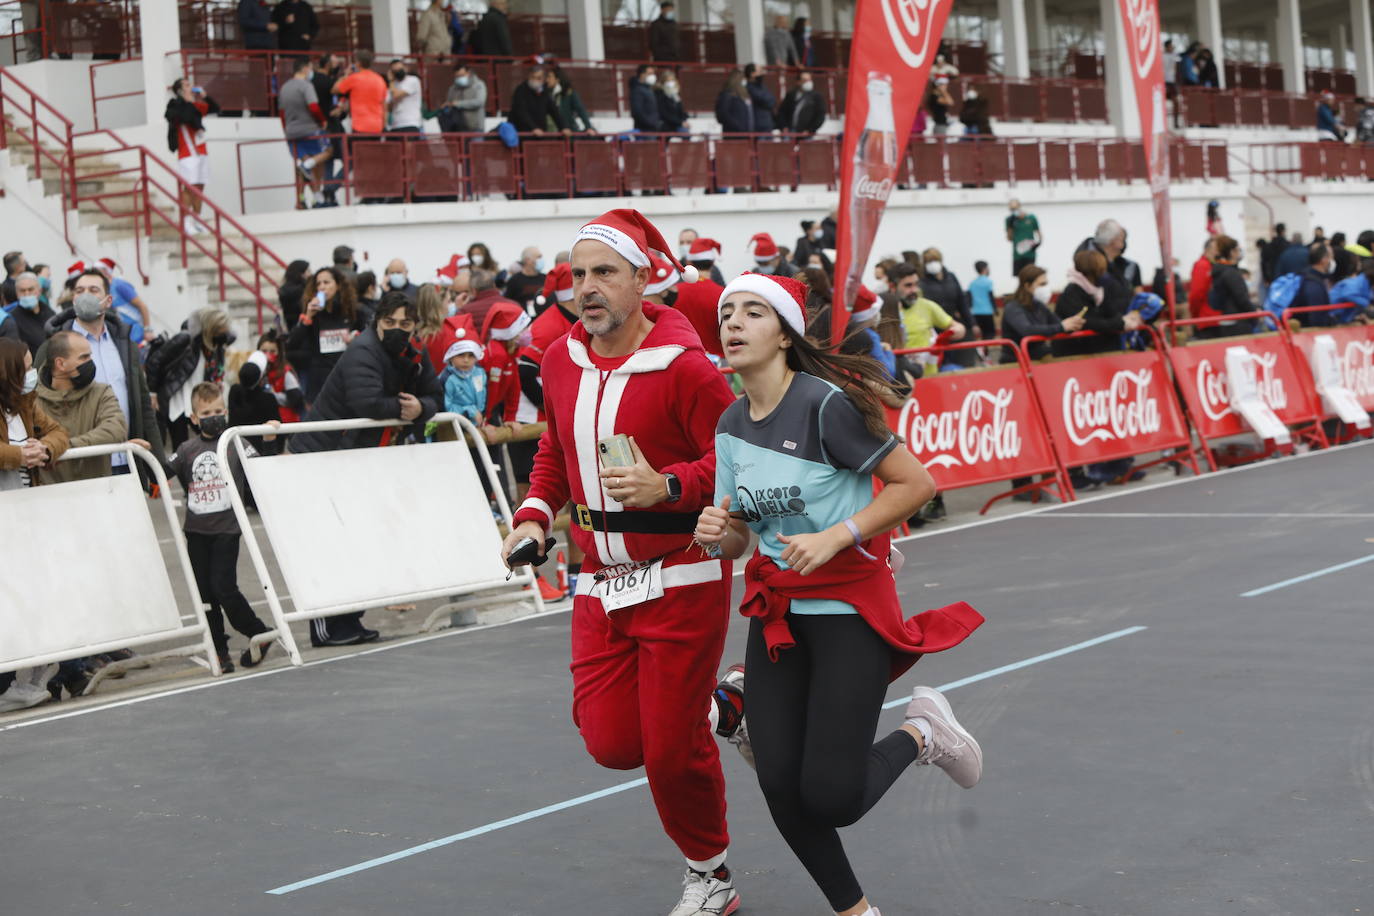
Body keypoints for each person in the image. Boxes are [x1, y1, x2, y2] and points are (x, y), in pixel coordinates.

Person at [698, 271, 984, 916]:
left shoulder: (824, 405)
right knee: (778, 783)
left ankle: (921, 732)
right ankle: (857, 912)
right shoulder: (730, 421)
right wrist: (718, 531)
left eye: (751, 313)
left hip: (847, 612)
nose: (734, 324)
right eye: (725, 314)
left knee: (833, 798)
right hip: (776, 617)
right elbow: (738, 536)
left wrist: (837, 535)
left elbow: (917, 485)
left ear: (784, 334)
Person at [499, 209, 743, 916]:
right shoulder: (558, 360)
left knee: (670, 755)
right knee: (611, 744)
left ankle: (711, 875)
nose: (588, 288)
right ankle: (725, 705)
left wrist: (672, 486)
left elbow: (731, 462)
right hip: (599, 585)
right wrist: (534, 517)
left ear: (642, 279)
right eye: (578, 275)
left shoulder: (688, 368)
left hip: (682, 575)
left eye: (604, 272)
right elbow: (555, 451)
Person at [289, 292, 443, 645]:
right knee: (333, 542)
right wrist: (405, 409)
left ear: (415, 325)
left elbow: (436, 394)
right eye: (390, 323)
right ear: (378, 322)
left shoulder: (414, 352)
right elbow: (366, 402)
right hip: (327, 455)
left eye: (406, 324)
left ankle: (350, 618)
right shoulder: (363, 349)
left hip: (365, 457)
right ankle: (327, 625)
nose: (398, 330)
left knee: (359, 540)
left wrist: (421, 407)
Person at [169, 382, 275, 672]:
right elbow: (159, 472)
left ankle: (258, 632)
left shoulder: (235, 442)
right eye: (206, 412)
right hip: (196, 532)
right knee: (205, 594)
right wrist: (136, 449)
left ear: (226, 412)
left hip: (226, 530)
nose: (212, 416)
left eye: (217, 410)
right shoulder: (186, 449)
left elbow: (262, 467)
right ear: (193, 418)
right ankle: (219, 650)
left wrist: (267, 436)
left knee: (223, 587)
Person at [41, 268, 163, 478]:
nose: (85, 295)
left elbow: (142, 403)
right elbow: (42, 398)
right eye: (79, 290)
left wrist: (159, 465)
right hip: (78, 460)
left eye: (93, 289)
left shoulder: (124, 344)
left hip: (126, 456)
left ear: (108, 300)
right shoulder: (54, 346)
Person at [34, 329, 126, 484]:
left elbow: (116, 428)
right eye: (84, 357)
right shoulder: (32, 401)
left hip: (97, 494)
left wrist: (64, 446)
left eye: (90, 355)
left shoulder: (101, 392)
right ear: (60, 364)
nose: (90, 362)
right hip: (49, 498)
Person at [144, 307, 233, 449]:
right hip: (177, 400)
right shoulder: (186, 339)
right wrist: (153, 392)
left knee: (213, 441)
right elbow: (154, 361)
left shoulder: (216, 344)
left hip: (200, 401)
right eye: (220, 327)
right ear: (211, 327)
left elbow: (215, 370)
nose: (224, 331)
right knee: (181, 446)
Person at [287, 265, 367, 402]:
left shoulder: (354, 311)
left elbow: (367, 336)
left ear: (338, 285)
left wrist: (355, 338)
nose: (322, 287)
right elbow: (292, 344)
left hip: (347, 373)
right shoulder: (313, 313)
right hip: (320, 378)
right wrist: (308, 317)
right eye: (318, 284)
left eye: (326, 282)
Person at [0, 337, 68, 492]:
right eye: (27, 368)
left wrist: (45, 448)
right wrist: (20, 455)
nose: (32, 373)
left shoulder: (25, 403)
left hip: (26, 498)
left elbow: (59, 433)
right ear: (9, 373)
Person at [1053, 248, 1142, 358]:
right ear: (1095, 271)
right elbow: (1086, 322)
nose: (1104, 273)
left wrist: (1126, 319)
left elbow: (1111, 311)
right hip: (1075, 354)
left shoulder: (1100, 289)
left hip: (1102, 350)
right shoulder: (1072, 293)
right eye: (1102, 269)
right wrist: (1120, 323)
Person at [163, 79, 220, 235]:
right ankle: (186, 220)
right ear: (180, 90)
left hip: (201, 151)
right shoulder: (177, 105)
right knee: (189, 187)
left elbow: (215, 108)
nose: (191, 88)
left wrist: (205, 96)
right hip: (187, 152)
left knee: (200, 187)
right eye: (187, 85)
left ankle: (197, 219)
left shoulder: (196, 106)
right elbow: (184, 117)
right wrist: (187, 101)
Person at [889, 261, 963, 377]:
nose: (914, 290)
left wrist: (956, 331)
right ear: (892, 287)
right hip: (899, 383)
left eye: (916, 284)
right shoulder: (883, 309)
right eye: (908, 285)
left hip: (928, 378)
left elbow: (958, 328)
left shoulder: (927, 306)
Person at [999, 264, 1085, 363]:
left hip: (1038, 357)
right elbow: (1027, 330)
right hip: (1015, 361)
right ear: (1027, 285)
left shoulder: (1039, 305)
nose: (1046, 288)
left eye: (1046, 284)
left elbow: (1057, 323)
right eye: (1042, 284)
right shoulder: (1013, 307)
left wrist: (1072, 324)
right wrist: (1062, 327)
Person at [279, 57, 333, 208]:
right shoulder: (306, 86)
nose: (311, 71)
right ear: (304, 69)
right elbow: (314, 107)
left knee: (303, 168)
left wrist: (286, 129)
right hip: (309, 129)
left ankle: (302, 199)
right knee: (327, 152)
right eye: (310, 68)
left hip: (291, 131)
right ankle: (317, 197)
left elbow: (282, 113)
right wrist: (322, 121)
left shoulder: (284, 87)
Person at [919, 248, 975, 367]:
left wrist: (972, 323)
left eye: (935, 260)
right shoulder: (922, 282)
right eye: (929, 261)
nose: (932, 264)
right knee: (939, 361)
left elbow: (961, 301)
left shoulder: (951, 277)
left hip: (952, 325)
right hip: (934, 329)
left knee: (958, 360)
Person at [228, 351, 285, 456]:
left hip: (236, 448)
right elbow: (278, 430)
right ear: (261, 378)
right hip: (261, 451)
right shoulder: (268, 399)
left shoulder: (234, 392)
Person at [332, 50, 388, 139]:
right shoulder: (380, 79)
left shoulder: (354, 78)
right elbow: (384, 105)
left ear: (358, 63)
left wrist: (346, 75)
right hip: (377, 126)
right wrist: (384, 125)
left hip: (360, 126)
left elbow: (334, 90)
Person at [1206, 235, 1255, 336]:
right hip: (1239, 322)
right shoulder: (1231, 273)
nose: (1239, 253)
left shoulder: (1218, 270)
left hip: (1226, 320)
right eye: (1238, 250)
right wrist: (1255, 313)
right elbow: (1242, 299)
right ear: (1232, 252)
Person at [6, 271, 54, 355]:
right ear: (17, 293)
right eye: (22, 290)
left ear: (39, 290)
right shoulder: (12, 319)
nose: (27, 294)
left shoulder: (49, 312)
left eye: (30, 289)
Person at [438, 338, 486, 424]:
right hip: (453, 425)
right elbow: (444, 407)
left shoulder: (480, 372)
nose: (466, 360)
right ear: (451, 357)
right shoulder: (446, 379)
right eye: (460, 355)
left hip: (477, 423)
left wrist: (483, 414)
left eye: (471, 355)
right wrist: (470, 412)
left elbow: (483, 395)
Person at [508, 65, 566, 134]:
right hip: (523, 133)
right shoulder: (521, 90)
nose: (535, 80)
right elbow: (521, 112)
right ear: (529, 76)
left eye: (538, 78)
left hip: (540, 133)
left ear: (543, 79)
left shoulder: (544, 92)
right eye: (533, 77)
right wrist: (533, 128)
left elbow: (554, 110)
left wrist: (564, 127)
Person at [1292, 244, 1335, 326]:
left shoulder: (1306, 274)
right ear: (1323, 259)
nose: (1332, 261)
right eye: (1331, 257)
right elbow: (1317, 320)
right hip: (1308, 332)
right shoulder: (1313, 284)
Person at [441, 60, 488, 134]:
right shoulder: (453, 89)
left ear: (468, 73)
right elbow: (449, 103)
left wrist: (457, 104)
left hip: (475, 127)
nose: (459, 78)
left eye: (462, 75)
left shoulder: (478, 85)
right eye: (457, 76)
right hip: (458, 128)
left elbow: (479, 102)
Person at [778, 71, 826, 136]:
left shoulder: (817, 97)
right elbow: (782, 112)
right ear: (798, 82)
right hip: (790, 132)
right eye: (805, 80)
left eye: (809, 80)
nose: (808, 82)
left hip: (807, 134)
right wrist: (784, 126)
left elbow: (820, 116)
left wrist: (810, 130)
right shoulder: (791, 95)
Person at [547, 67, 594, 134]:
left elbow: (580, 110)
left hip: (568, 131)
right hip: (551, 132)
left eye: (549, 77)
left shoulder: (569, 93)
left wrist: (588, 127)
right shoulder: (547, 94)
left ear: (557, 79)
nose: (547, 80)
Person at [1006, 199, 1041, 276]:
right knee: (1020, 276)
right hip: (1017, 254)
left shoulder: (1031, 218)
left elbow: (1039, 233)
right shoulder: (1009, 220)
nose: (1014, 210)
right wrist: (1010, 227)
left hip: (1030, 254)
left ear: (1019, 207)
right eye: (1012, 209)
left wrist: (1038, 243)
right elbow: (1009, 238)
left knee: (1030, 275)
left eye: (1015, 208)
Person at [386, 60, 423, 133]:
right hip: (395, 125)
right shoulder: (392, 86)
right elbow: (388, 107)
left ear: (405, 68)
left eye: (400, 69)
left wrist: (391, 81)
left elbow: (396, 95)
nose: (398, 72)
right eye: (395, 70)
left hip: (410, 123)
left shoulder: (413, 80)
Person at [716, 69, 755, 135]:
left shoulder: (745, 95)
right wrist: (738, 127)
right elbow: (723, 115)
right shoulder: (727, 95)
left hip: (747, 134)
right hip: (734, 134)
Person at [967, 260, 996, 343]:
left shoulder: (972, 283)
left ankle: (981, 352)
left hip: (975, 312)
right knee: (989, 334)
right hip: (987, 312)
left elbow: (969, 298)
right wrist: (995, 309)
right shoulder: (988, 281)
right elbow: (991, 296)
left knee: (979, 334)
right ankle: (986, 351)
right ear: (985, 269)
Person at [743, 64, 777, 133]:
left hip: (768, 124)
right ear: (752, 74)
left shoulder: (762, 86)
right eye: (760, 71)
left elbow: (772, 100)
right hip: (757, 126)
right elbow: (764, 99)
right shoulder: (749, 88)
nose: (762, 73)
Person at [630, 64, 663, 133]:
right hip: (645, 129)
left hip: (654, 128)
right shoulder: (637, 90)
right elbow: (638, 111)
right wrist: (651, 123)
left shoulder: (650, 89)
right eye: (650, 74)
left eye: (653, 74)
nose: (653, 76)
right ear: (642, 74)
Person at [278, 259, 310, 329]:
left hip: (290, 325)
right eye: (308, 271)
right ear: (301, 273)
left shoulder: (284, 288)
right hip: (302, 325)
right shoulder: (302, 289)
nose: (310, 274)